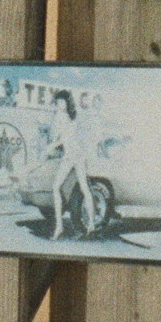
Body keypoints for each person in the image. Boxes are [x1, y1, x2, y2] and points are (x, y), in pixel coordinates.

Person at [50, 86, 95, 238]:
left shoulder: (62, 116)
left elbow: (63, 138)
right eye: (58, 102)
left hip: (72, 155)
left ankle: (59, 227)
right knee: (84, 188)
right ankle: (91, 224)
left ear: (66, 102)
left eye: (62, 102)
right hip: (77, 154)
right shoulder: (70, 116)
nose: (60, 105)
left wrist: (51, 146)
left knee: (57, 187)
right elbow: (62, 137)